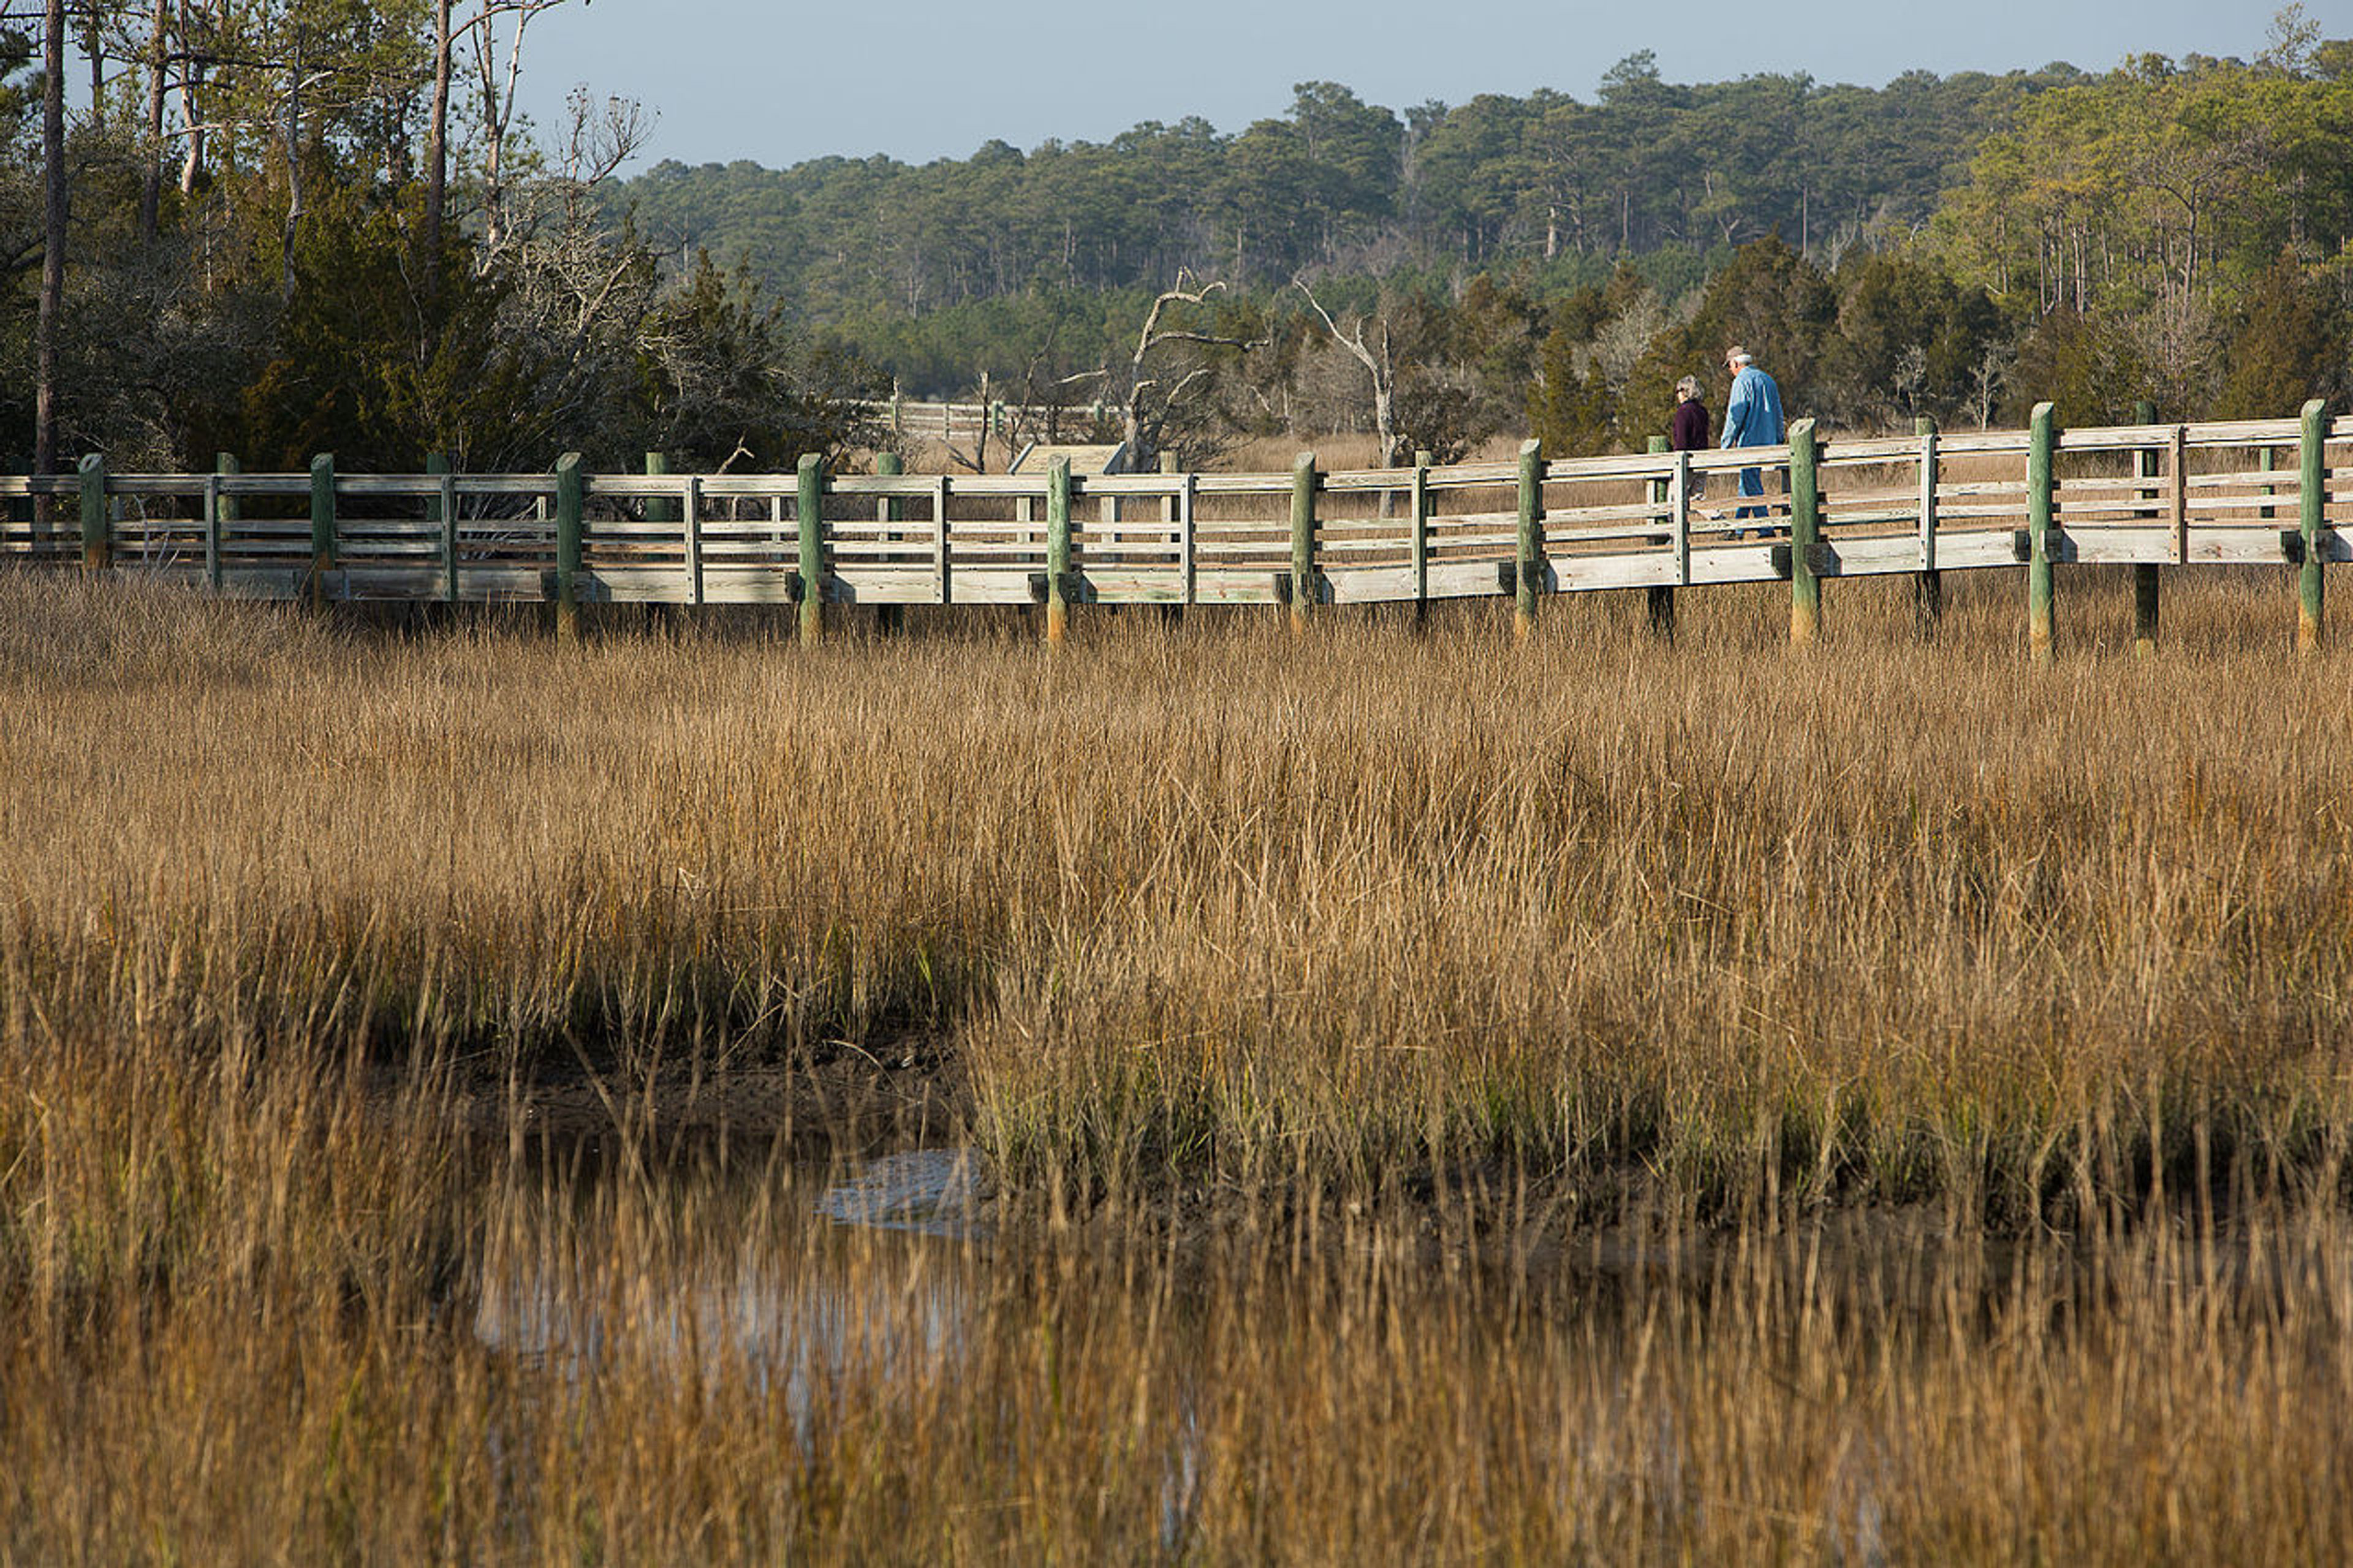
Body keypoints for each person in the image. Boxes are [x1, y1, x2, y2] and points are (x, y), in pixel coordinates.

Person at [1719, 346, 1784, 535]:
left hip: (1750, 441)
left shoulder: (1742, 381)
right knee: (1747, 483)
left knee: (1750, 483)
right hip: (1769, 439)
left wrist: (1726, 442)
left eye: (1730, 366)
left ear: (1736, 363)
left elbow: (1736, 414)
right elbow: (1779, 413)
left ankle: (1766, 528)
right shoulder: (1768, 380)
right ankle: (1738, 529)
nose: (1730, 371)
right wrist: (1779, 437)